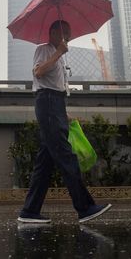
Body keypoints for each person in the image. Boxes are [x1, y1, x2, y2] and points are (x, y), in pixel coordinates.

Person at [18, 20, 111, 224]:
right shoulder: (44, 50)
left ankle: (30, 211)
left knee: (45, 163)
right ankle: (85, 207)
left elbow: (56, 87)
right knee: (66, 156)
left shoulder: (57, 54)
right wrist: (58, 52)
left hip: (55, 105)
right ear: (52, 33)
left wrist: (65, 114)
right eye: (63, 34)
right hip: (48, 103)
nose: (66, 38)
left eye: (68, 35)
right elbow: (39, 73)